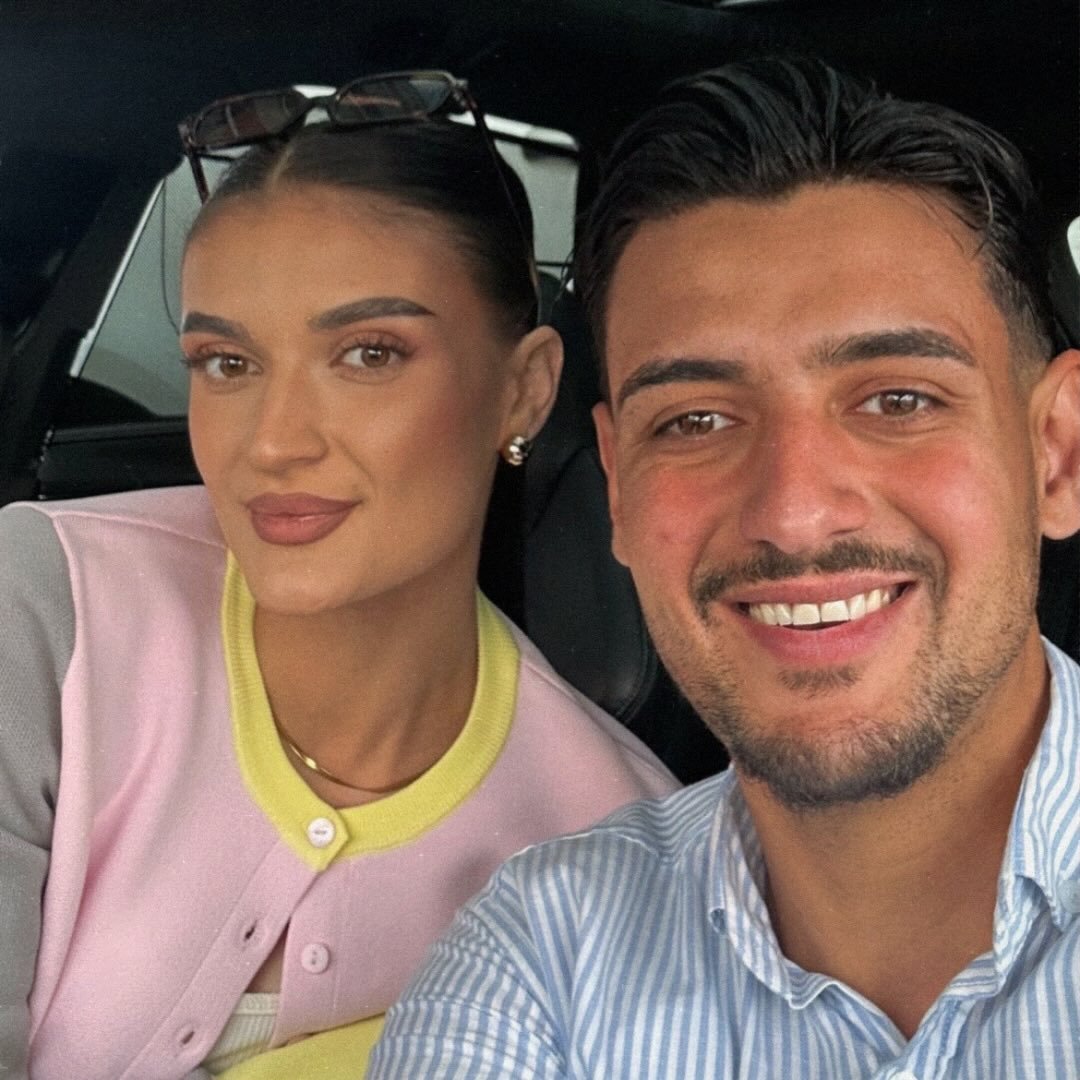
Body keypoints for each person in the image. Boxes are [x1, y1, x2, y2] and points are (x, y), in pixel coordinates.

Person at [369, 56, 1080, 1077]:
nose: (792, 514)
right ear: (618, 488)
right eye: (695, 420)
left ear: (1055, 454)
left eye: (898, 401)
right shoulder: (539, 957)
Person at [0, 72, 677, 1080]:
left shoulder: (613, 840)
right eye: (227, 363)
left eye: (368, 354)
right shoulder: (44, 611)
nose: (272, 442)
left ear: (524, 390)